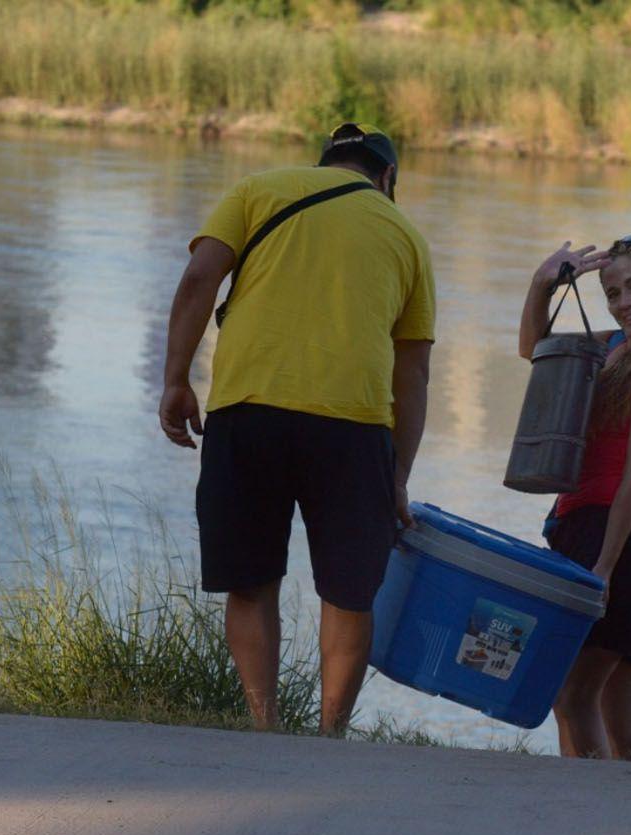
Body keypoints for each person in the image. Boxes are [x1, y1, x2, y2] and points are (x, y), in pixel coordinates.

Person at [158, 122, 435, 736]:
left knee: (252, 581)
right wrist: (398, 477)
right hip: (353, 427)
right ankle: (328, 736)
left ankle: (265, 726)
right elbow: (413, 372)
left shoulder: (257, 189)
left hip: (247, 411)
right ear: (387, 178)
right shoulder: (407, 236)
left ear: (322, 165)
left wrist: (176, 379)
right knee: (349, 594)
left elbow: (199, 277)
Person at [517, 235, 631, 761]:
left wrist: (605, 567)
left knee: (573, 695)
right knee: (622, 712)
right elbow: (536, 352)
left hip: (618, 535)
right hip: (587, 524)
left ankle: (589, 815)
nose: (624, 301)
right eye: (613, 291)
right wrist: (542, 285)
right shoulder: (616, 346)